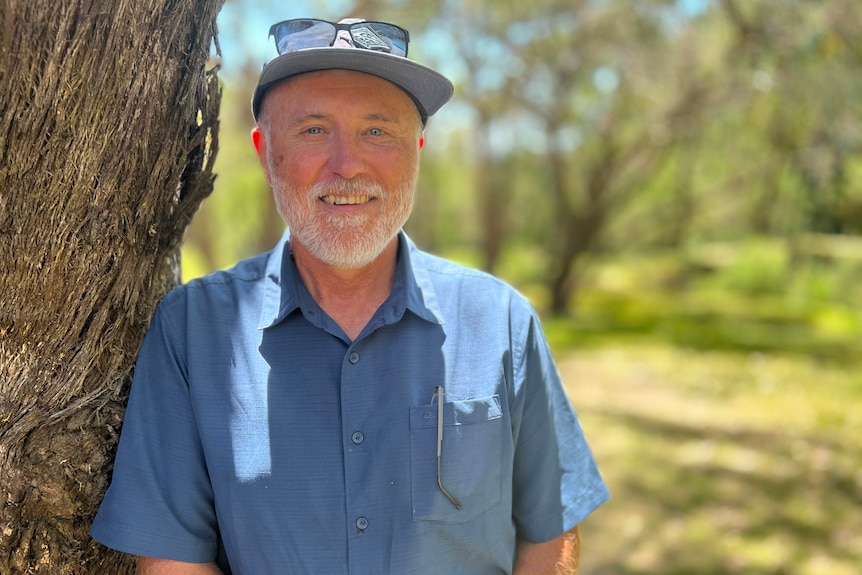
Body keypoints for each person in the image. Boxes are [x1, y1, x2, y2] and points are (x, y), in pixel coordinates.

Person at [90, 17, 609, 575]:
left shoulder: (502, 320)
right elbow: (172, 562)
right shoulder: (191, 331)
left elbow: (548, 532)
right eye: (313, 130)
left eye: (377, 130)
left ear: (418, 148)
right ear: (266, 154)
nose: (347, 164)